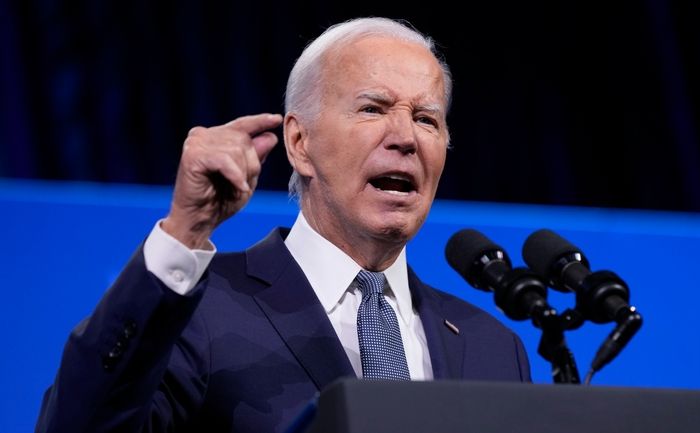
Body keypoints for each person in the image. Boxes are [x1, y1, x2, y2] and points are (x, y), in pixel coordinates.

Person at [35, 17, 531, 433]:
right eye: (372, 109)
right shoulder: (202, 310)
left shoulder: (492, 348)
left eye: (426, 119)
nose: (404, 137)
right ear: (299, 143)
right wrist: (184, 233)